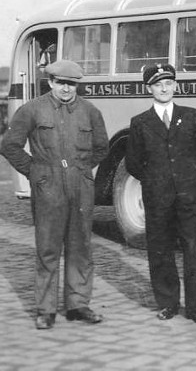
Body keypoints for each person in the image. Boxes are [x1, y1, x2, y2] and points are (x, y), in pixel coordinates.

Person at [0, 60, 109, 330]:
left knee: (81, 246)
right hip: (48, 186)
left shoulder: (90, 111)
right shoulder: (32, 110)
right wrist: (36, 172)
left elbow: (102, 147)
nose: (66, 89)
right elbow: (10, 145)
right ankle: (45, 309)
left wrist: (81, 169)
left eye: (71, 84)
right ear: (50, 82)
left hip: (80, 186)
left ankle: (78, 304)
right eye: (61, 83)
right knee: (48, 247)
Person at [125, 64, 196, 323]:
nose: (164, 88)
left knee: (192, 248)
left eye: (168, 83)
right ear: (149, 89)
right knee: (160, 249)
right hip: (157, 197)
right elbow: (133, 162)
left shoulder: (191, 115)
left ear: (175, 86)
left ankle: (195, 308)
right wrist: (155, 181)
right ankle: (168, 303)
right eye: (158, 84)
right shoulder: (140, 122)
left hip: (188, 195)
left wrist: (188, 176)